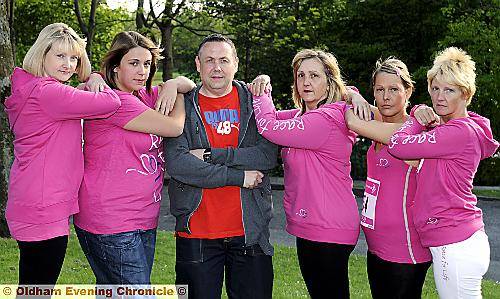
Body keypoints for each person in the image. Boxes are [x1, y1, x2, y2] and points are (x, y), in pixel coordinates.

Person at [346, 47, 498, 298]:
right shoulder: (440, 129)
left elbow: (362, 126)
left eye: (448, 90)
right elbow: (347, 103)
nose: (439, 96)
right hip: (384, 245)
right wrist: (355, 95)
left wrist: (415, 117)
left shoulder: (435, 132)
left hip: (431, 245)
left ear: (408, 91)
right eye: (435, 88)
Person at [3, 23, 121, 285]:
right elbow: (111, 103)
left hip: (33, 199)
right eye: (60, 56)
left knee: (32, 285)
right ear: (41, 54)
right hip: (44, 206)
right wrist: (97, 79)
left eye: (74, 58)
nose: (68, 64)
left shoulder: (32, 88)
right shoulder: (49, 93)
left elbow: (70, 99)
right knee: (39, 287)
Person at [73, 31, 195, 284]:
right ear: (116, 67)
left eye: (148, 64)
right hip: (111, 220)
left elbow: (190, 83)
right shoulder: (115, 101)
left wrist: (173, 85)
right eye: (134, 63)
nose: (142, 71)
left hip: (142, 215)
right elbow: (174, 127)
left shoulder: (146, 96)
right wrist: (178, 96)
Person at [164, 34, 278, 299]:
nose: (217, 67)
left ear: (235, 64)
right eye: (210, 60)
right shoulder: (183, 104)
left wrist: (209, 155)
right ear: (198, 64)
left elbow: (267, 155)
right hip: (196, 233)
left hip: (250, 232)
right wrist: (238, 176)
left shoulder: (255, 102)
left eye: (224, 60)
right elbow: (180, 164)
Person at [251, 49, 371, 299]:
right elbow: (267, 117)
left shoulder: (325, 119)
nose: (306, 82)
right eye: (301, 75)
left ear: (329, 83)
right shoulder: (302, 116)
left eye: (314, 76)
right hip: (311, 225)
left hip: (329, 226)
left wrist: (261, 91)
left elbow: (268, 126)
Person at [348, 58, 432, 299]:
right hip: (375, 247)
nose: (386, 97)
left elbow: (350, 119)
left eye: (394, 89)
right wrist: (355, 97)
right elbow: (341, 93)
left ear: (408, 91)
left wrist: (418, 111)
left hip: (405, 251)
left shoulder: (412, 131)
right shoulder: (378, 124)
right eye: (379, 89)